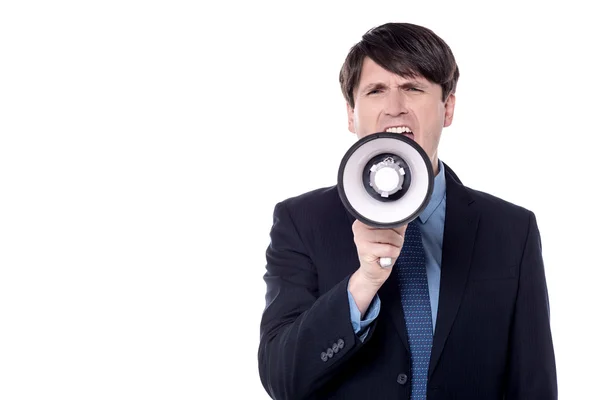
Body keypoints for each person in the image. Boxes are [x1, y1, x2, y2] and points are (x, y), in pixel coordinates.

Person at [257, 22, 557, 400]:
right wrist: (362, 284)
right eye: (376, 90)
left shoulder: (512, 230)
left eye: (413, 88)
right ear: (351, 113)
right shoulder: (301, 222)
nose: (394, 108)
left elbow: (533, 383)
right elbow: (282, 379)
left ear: (447, 107)